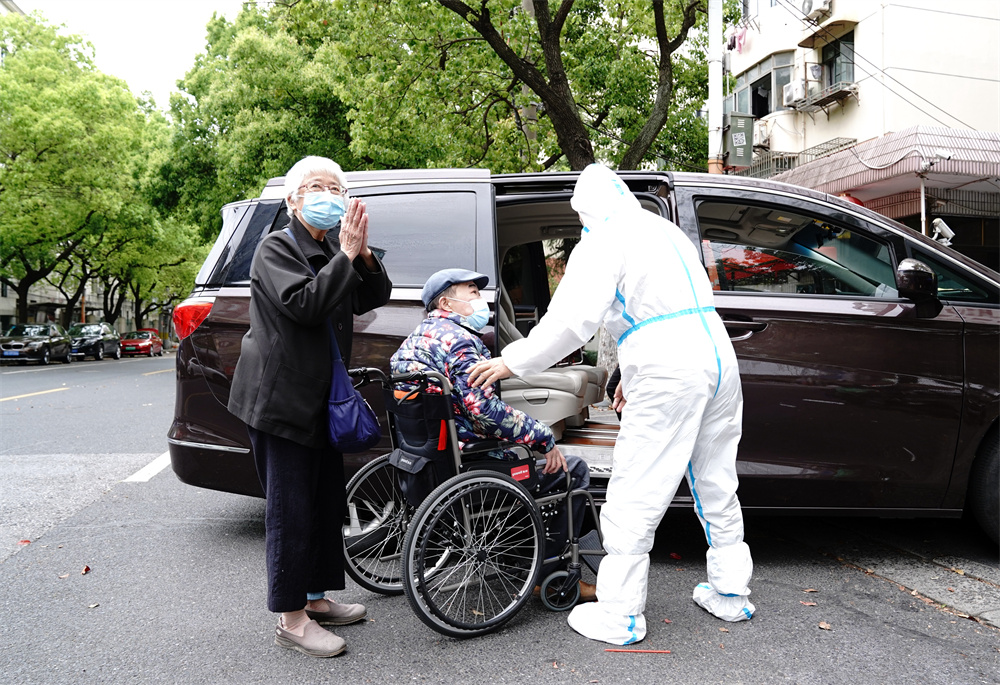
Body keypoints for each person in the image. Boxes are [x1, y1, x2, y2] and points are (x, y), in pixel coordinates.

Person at [468, 164, 754, 645]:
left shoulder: (603, 238)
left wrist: (512, 361)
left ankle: (619, 614)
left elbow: (573, 321)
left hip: (669, 365)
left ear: (586, 209)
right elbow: (663, 310)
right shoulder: (666, 231)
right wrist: (629, 375)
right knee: (716, 479)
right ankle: (730, 593)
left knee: (635, 486)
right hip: (717, 359)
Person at [227, 156, 392, 658]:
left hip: (320, 400)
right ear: (293, 199)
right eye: (316, 186)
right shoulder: (276, 247)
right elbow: (305, 304)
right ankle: (292, 619)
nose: (327, 194)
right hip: (282, 402)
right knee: (290, 510)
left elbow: (373, 297)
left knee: (323, 503)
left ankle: (316, 599)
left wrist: (360, 256)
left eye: (335, 187)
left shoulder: (328, 249)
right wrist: (344, 254)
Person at [390, 268, 595, 598]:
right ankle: (550, 572)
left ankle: (519, 560)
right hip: (473, 460)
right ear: (446, 302)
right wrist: (542, 436)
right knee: (571, 469)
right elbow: (484, 412)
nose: (480, 299)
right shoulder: (459, 342)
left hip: (426, 459)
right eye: (471, 292)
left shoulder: (411, 344)